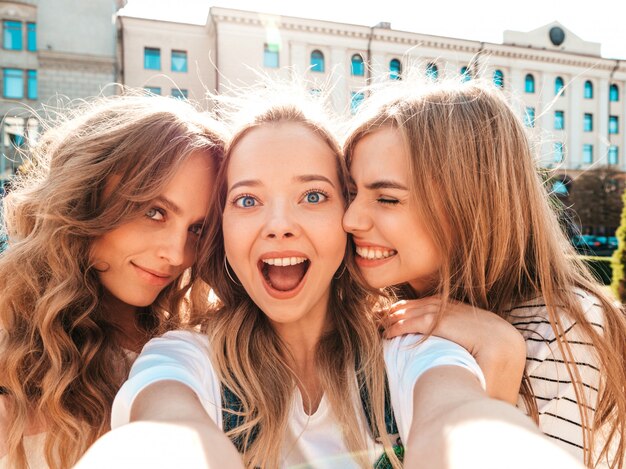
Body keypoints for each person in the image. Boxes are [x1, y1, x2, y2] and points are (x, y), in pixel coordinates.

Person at [102, 90, 581, 469]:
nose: (279, 224)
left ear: (345, 218)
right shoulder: (184, 358)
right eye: (247, 200)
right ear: (220, 228)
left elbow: (461, 422)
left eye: (313, 196)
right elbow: (163, 436)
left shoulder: (411, 345)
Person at [342, 78, 626, 469]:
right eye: (350, 192)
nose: (351, 218)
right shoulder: (383, 309)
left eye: (388, 198)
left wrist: (497, 359)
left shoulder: (562, 327)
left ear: (472, 206)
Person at [0, 94, 225, 469]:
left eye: (197, 229)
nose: (176, 253)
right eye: (154, 212)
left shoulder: (191, 343)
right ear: (86, 196)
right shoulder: (13, 346)